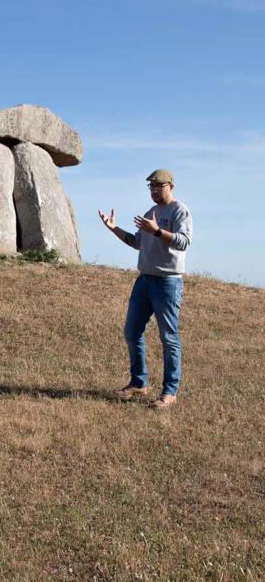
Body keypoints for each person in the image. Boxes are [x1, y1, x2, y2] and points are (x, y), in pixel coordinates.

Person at [98, 169, 193, 409]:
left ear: (171, 186)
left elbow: (184, 242)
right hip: (144, 281)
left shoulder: (180, 210)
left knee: (169, 338)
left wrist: (158, 231)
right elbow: (137, 242)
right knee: (132, 332)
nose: (154, 190)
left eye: (158, 186)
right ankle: (139, 383)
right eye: (151, 187)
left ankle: (169, 392)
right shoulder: (150, 213)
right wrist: (113, 229)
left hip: (168, 283)